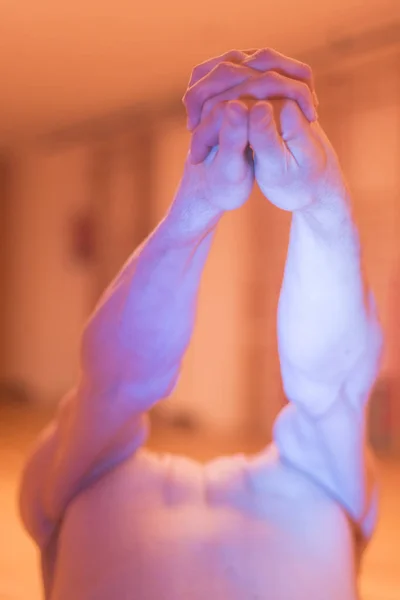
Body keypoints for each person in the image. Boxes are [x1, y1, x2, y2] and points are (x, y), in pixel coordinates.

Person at [19, 48, 383, 600]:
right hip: (309, 510)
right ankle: (295, 204)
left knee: (98, 410)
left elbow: (113, 384)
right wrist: (319, 206)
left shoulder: (76, 490)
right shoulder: (330, 492)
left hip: (105, 508)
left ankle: (220, 201)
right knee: (334, 409)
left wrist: (200, 206)